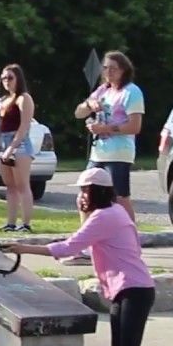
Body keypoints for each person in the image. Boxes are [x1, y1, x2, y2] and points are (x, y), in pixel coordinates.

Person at [5, 168, 155, 346]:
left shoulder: (105, 216)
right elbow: (87, 247)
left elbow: (69, 247)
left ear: (99, 191)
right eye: (81, 191)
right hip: (127, 289)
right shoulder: (115, 212)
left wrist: (23, 248)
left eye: (86, 190)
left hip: (134, 289)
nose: (82, 196)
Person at [64, 51, 145, 265]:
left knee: (119, 199)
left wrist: (105, 127)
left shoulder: (131, 92)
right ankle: (86, 246)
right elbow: (78, 113)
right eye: (105, 67)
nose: (108, 72)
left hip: (119, 153)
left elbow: (135, 126)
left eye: (113, 68)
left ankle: (131, 245)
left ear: (124, 70)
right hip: (98, 152)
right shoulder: (102, 91)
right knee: (85, 197)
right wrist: (89, 105)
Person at [0, 63, 37, 232]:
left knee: (22, 185)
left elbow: (24, 126)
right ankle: (10, 222)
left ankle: (25, 223)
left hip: (19, 144)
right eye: (3, 78)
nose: (6, 81)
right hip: (3, 142)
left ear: (18, 79)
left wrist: (11, 148)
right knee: (10, 185)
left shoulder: (23, 98)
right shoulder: (3, 101)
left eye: (10, 78)